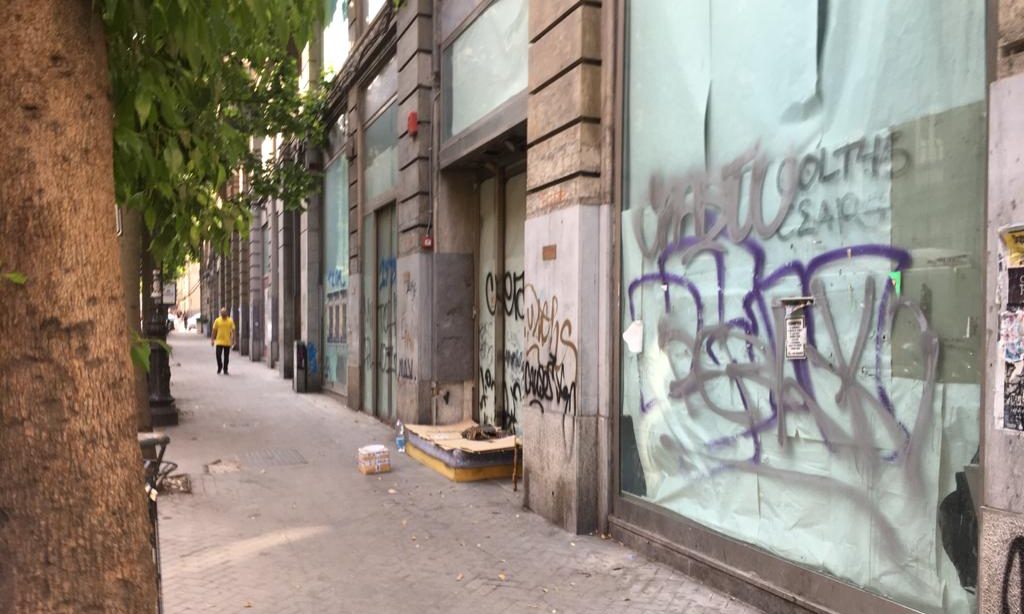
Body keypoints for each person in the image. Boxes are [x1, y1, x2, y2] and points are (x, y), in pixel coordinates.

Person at [211, 307, 235, 375]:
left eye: (224, 312)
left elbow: (233, 331)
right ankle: (220, 366)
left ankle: (225, 369)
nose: (223, 314)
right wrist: (212, 340)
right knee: (218, 355)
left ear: (226, 313)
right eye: (222, 312)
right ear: (220, 313)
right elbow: (214, 331)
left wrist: (234, 340)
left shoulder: (230, 321)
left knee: (226, 357)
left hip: (227, 341)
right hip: (219, 341)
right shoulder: (217, 320)